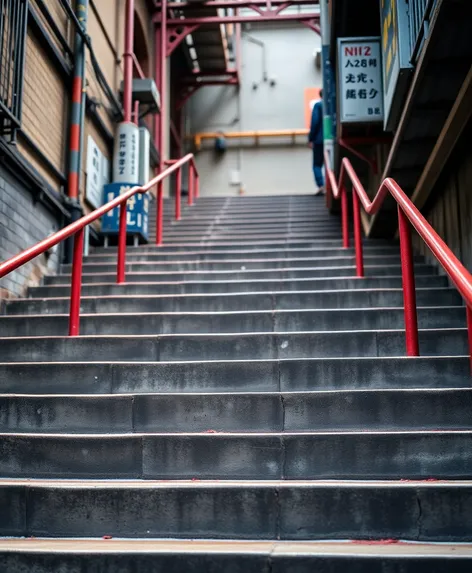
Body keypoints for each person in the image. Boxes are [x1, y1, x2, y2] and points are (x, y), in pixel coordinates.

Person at [308, 89, 324, 195]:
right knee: (330, 163)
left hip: (319, 139)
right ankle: (330, 186)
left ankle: (322, 185)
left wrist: (310, 138)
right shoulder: (334, 105)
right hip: (332, 139)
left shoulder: (318, 105)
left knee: (317, 165)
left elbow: (315, 122)